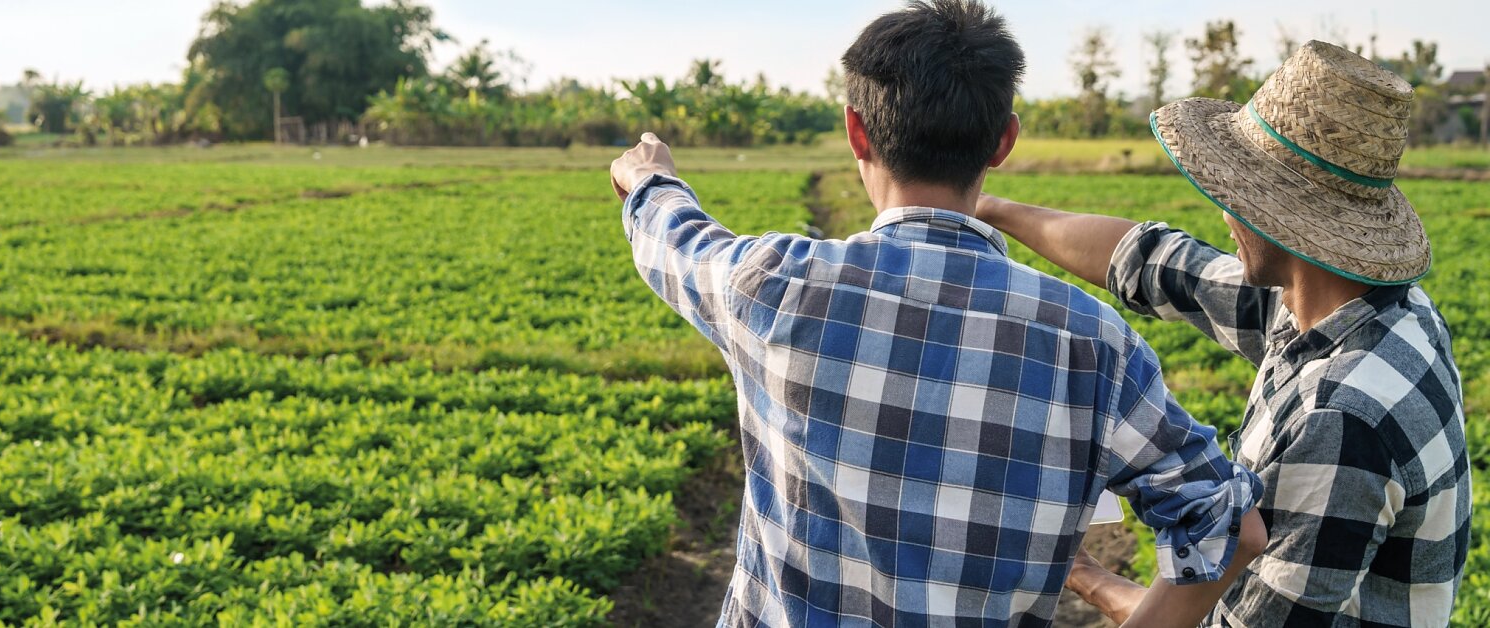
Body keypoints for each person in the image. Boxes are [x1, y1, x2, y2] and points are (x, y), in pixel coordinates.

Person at [608, 1, 1265, 625]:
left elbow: (679, 243)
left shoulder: (776, 285)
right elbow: (1231, 528)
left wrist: (651, 180)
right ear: (1003, 141)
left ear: (855, 132)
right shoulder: (1090, 341)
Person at [977, 41, 1469, 627]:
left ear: (1286, 221)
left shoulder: (1340, 422)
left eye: (1237, 195)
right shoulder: (1369, 308)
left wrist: (1089, 578)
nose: (1224, 213)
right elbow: (1155, 261)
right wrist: (991, 208)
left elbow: (1231, 623)